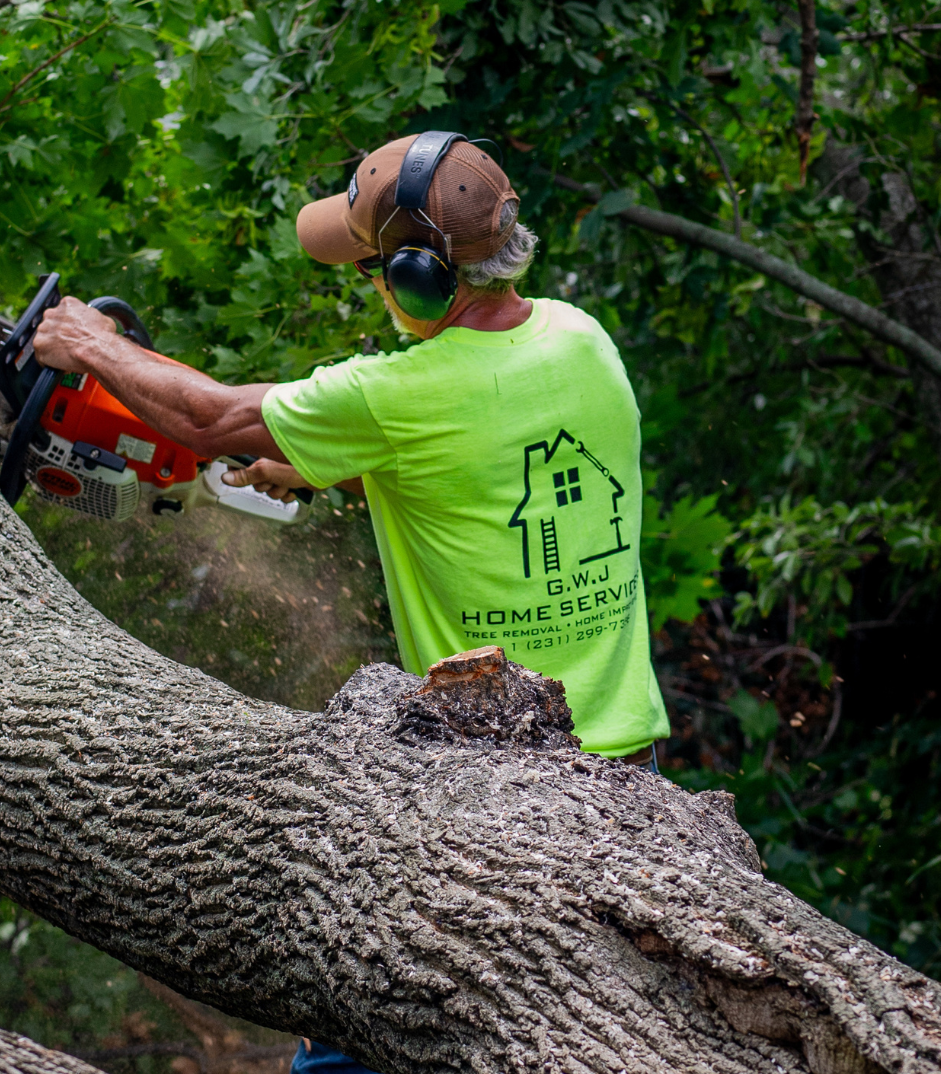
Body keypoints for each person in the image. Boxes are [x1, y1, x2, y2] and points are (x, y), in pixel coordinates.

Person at [33, 133, 670, 1074]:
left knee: (355, 1038)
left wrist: (90, 344)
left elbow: (208, 418)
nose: (371, 285)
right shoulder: (581, 338)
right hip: (633, 777)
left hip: (492, 792)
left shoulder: (396, 393)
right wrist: (333, 469)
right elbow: (474, 465)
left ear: (416, 278)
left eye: (375, 268)